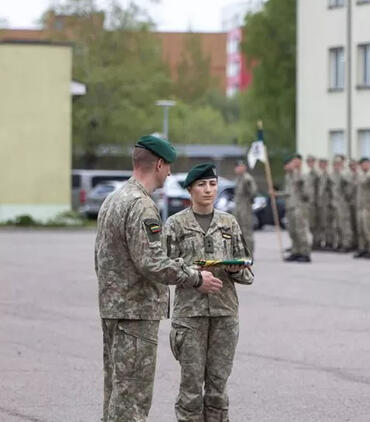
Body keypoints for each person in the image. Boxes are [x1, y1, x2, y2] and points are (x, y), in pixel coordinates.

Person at [95, 135, 221, 422]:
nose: (170, 174)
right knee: (132, 400)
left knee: (116, 393)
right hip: (135, 313)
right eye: (169, 167)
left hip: (114, 310)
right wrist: (195, 277)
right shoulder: (141, 205)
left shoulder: (114, 199)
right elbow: (151, 262)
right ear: (159, 164)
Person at [165, 163, 253, 422]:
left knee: (217, 388)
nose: (208, 190)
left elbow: (247, 270)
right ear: (190, 189)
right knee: (191, 389)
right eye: (202, 185)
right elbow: (164, 269)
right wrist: (193, 276)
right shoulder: (175, 225)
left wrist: (234, 269)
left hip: (224, 314)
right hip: (190, 316)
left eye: (213, 184)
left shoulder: (229, 223)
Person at [282, 154, 311, 262]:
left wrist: (301, 186)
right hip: (290, 207)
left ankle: (305, 253)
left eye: (288, 164)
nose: (286, 166)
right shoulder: (288, 177)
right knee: (292, 231)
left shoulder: (301, 176)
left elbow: (307, 194)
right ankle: (296, 251)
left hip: (299, 207)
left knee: (300, 231)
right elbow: (288, 193)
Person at [233, 160, 257, 254]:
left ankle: (249, 252)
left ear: (244, 167)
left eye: (240, 166)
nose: (238, 168)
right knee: (239, 231)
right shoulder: (239, 178)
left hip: (245, 209)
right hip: (239, 208)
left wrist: (249, 201)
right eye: (237, 167)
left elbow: (253, 192)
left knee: (247, 232)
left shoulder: (247, 179)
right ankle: (241, 252)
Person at [331, 155, 355, 252]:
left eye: (339, 163)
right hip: (335, 203)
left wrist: (347, 198)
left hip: (343, 203)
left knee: (345, 224)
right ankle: (340, 242)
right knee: (337, 225)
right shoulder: (333, 174)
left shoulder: (346, 173)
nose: (337, 166)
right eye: (335, 164)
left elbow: (350, 186)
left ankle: (347, 243)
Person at [316, 158, 334, 249]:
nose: (322, 165)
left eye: (324, 164)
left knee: (327, 224)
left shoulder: (328, 175)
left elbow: (332, 190)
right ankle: (319, 241)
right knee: (319, 223)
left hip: (326, 203)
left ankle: (329, 242)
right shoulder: (318, 175)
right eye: (321, 164)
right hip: (318, 203)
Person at [304, 155, 321, 249]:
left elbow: (320, 189)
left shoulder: (316, 174)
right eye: (308, 161)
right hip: (309, 203)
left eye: (311, 161)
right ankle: (315, 241)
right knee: (311, 224)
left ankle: (317, 241)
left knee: (316, 223)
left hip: (315, 202)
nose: (310, 163)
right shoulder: (308, 174)